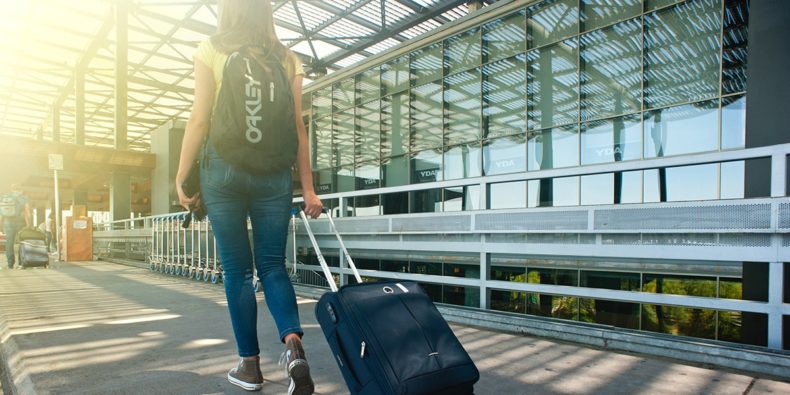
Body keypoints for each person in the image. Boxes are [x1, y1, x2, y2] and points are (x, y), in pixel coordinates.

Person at [175, 0, 322, 393]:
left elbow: (199, 118)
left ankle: (250, 366)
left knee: (237, 271)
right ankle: (294, 348)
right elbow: (298, 128)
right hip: (274, 175)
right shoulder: (287, 58)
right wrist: (307, 188)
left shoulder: (213, 48)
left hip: (222, 172)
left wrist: (181, 175)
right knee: (273, 266)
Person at [0, 184, 31, 269]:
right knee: (22, 243)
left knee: (9, 243)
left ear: (11, 189)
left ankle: (10, 264)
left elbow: (1, 212)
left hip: (7, 222)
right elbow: (26, 211)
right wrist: (29, 224)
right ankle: (21, 263)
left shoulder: (4, 197)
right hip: (20, 222)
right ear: (21, 190)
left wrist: (0, 224)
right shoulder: (23, 198)